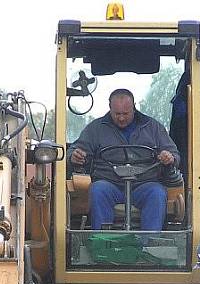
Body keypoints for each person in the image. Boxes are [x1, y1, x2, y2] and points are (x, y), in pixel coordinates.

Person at [70, 89, 180, 231]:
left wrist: (168, 157)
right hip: (110, 184)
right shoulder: (95, 129)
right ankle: (103, 244)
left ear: (134, 107)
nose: (121, 118)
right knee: (97, 190)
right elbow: (75, 150)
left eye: (125, 114)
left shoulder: (153, 127)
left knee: (157, 193)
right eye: (117, 114)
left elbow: (174, 154)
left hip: (143, 184)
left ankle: (149, 245)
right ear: (109, 108)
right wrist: (74, 156)